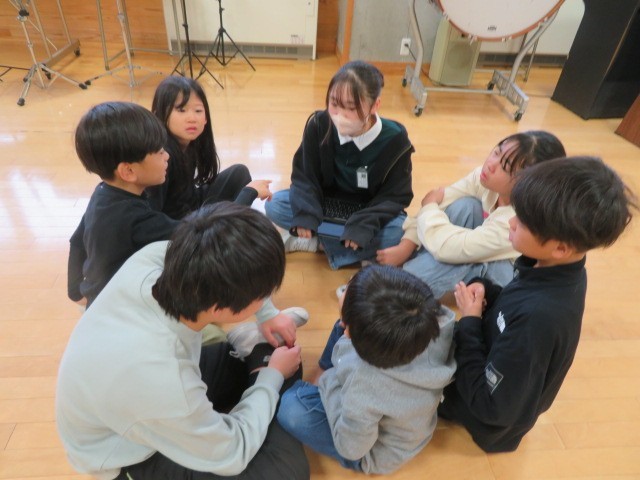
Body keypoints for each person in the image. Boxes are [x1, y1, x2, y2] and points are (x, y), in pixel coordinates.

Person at [56, 203, 310, 480]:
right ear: (219, 309)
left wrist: (268, 315)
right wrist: (271, 377)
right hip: (127, 454)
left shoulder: (156, 258)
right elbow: (232, 454)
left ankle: (256, 365)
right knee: (288, 470)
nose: (265, 300)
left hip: (137, 389)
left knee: (280, 355)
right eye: (262, 296)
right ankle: (260, 372)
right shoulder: (164, 378)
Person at [438, 156, 637, 453]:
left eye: (523, 222)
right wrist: (489, 292)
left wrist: (469, 322)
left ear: (560, 248)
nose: (511, 222)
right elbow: (513, 307)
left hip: (482, 413)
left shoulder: (540, 318)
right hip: (490, 360)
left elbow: (493, 408)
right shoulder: (555, 268)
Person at [67, 102, 301, 348]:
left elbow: (76, 241)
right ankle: (239, 342)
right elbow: (203, 237)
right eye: (159, 152)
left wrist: (75, 291)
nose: (167, 155)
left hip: (104, 301)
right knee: (212, 338)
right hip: (128, 316)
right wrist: (248, 193)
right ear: (128, 171)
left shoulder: (103, 194)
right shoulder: (135, 218)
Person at [277, 265, 456, 474]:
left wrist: (329, 381)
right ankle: (326, 366)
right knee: (346, 320)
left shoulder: (365, 383)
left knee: (290, 407)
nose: (344, 290)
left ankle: (320, 375)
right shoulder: (437, 319)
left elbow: (351, 448)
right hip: (401, 417)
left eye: (347, 328)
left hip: (371, 451)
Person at [377, 130, 566, 299]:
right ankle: (405, 272)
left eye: (505, 168)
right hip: (477, 246)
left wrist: (429, 207)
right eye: (497, 152)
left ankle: (390, 291)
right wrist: (407, 245)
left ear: (528, 186)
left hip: (510, 279)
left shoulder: (518, 220)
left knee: (463, 258)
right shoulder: (484, 178)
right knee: (465, 206)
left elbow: (443, 236)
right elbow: (441, 201)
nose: (490, 164)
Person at [264, 61, 414, 269]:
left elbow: (395, 196)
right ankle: (350, 252)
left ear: (375, 106)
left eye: (351, 108)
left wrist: (363, 224)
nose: (339, 115)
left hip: (368, 210)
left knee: (398, 231)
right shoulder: (319, 123)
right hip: (325, 205)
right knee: (275, 205)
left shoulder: (395, 139)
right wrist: (306, 213)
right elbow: (304, 176)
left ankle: (316, 243)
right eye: (334, 104)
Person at [147, 76, 272, 220]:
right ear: (159, 114)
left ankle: (233, 222)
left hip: (191, 206)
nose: (192, 118)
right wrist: (250, 193)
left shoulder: (190, 143)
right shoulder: (161, 156)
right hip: (180, 226)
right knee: (245, 198)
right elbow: (153, 218)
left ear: (206, 118)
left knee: (239, 173)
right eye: (181, 110)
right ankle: (232, 226)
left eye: (198, 110)